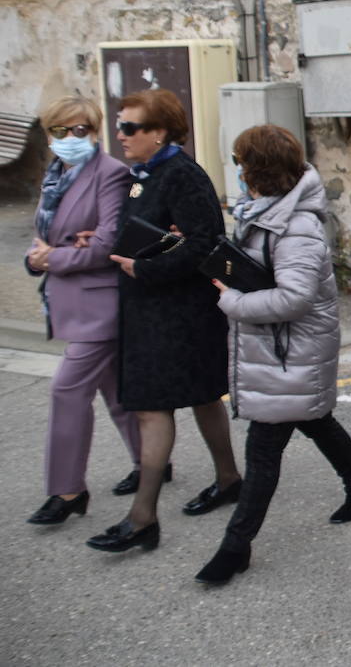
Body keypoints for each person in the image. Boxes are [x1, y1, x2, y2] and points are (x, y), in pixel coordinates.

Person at [194, 125, 351, 585]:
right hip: (282, 349)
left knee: (262, 453)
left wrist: (232, 303)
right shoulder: (270, 212)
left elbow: (293, 297)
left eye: (241, 163)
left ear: (257, 170)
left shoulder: (297, 226)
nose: (237, 171)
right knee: (316, 420)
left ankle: (235, 547)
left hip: (291, 349)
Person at [87, 89, 242, 554]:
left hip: (179, 316)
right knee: (202, 397)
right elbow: (144, 231)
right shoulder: (145, 174)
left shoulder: (182, 175)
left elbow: (205, 244)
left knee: (155, 409)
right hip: (151, 313)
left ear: (159, 133)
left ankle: (142, 519)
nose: (121, 135)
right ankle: (230, 477)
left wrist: (145, 268)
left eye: (130, 128)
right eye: (120, 125)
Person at [24, 97, 142, 526]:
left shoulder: (110, 174)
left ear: (94, 132)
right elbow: (43, 235)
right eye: (62, 131)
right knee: (115, 390)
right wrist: (40, 256)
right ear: (49, 133)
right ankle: (151, 461)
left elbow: (106, 245)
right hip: (72, 299)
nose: (72, 139)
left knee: (67, 390)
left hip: (101, 303)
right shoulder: (56, 174)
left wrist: (52, 258)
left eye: (81, 131)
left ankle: (68, 489)